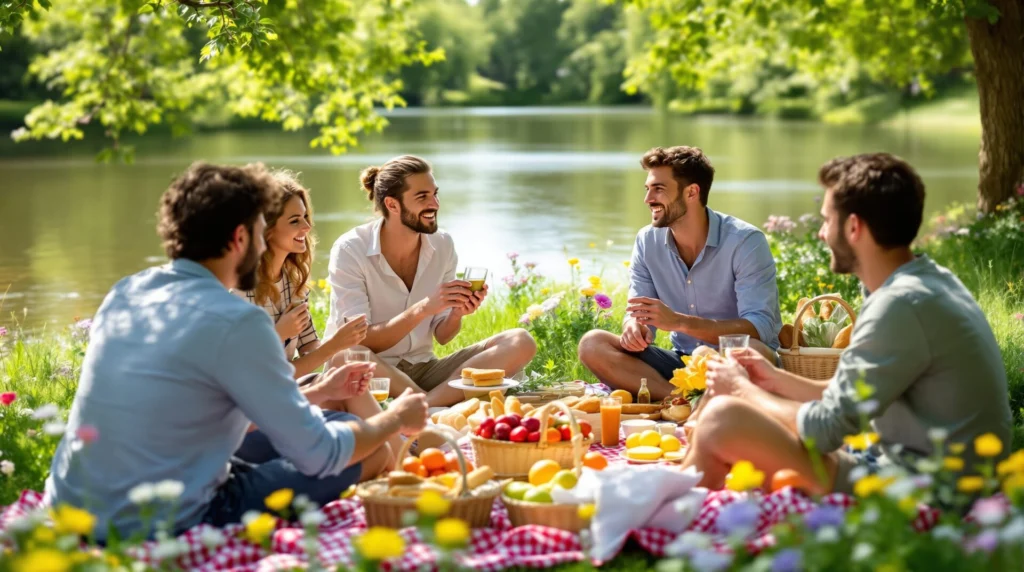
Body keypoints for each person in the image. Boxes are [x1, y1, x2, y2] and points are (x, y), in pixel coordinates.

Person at [44, 162, 429, 541]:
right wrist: (395, 419)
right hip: (159, 517)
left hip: (73, 506)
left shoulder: (127, 292)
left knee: (333, 425)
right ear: (238, 239)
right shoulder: (239, 320)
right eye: (261, 233)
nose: (263, 245)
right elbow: (320, 454)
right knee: (370, 450)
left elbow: (194, 411)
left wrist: (319, 393)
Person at [684, 152, 1012, 494]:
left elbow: (827, 429)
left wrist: (741, 390)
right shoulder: (921, 283)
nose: (823, 233)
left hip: (929, 492)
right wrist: (774, 379)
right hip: (922, 469)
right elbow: (851, 398)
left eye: (827, 220)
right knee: (741, 414)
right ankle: (675, 497)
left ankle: (673, 508)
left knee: (724, 418)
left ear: (854, 227)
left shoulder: (900, 305)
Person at [326, 155, 537, 408]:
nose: (434, 204)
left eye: (435, 194)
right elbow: (360, 340)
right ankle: (435, 404)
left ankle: (426, 404)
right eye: (422, 197)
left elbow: (443, 336)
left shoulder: (442, 244)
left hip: (424, 370)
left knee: (520, 341)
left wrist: (456, 313)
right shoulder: (351, 249)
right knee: (347, 354)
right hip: (374, 374)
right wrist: (424, 308)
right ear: (392, 205)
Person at [577, 146, 782, 401]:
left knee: (752, 349)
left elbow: (759, 327)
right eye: (648, 189)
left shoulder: (745, 242)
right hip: (681, 365)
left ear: (692, 192)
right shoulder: (646, 241)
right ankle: (679, 401)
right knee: (593, 344)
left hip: (735, 362)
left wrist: (679, 322)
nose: (648, 198)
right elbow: (639, 312)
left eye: (659, 189)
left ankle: (712, 401)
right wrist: (635, 327)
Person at [232, 170, 400, 466]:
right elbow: (262, 381)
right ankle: (401, 454)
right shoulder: (240, 289)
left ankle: (405, 452)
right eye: (295, 220)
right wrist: (285, 334)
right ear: (267, 229)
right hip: (253, 415)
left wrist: (341, 347)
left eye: (306, 216)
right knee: (342, 365)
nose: (307, 226)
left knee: (348, 368)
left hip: (290, 393)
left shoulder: (291, 281)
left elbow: (312, 351)